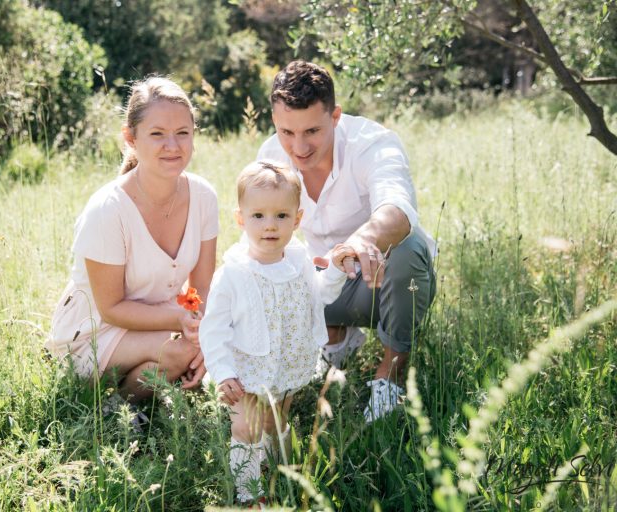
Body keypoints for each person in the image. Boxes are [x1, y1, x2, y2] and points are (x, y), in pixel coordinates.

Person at [257, 61, 437, 423]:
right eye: (286, 132)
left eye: (312, 130)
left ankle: (392, 371)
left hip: (380, 281)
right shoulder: (271, 157)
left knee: (411, 248)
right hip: (321, 285)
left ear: (335, 116)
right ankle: (335, 338)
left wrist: (358, 243)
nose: (299, 146)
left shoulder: (372, 142)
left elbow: (398, 209)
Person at [46, 76, 218, 403]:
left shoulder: (203, 197)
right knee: (181, 352)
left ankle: (147, 394)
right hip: (95, 332)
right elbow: (110, 308)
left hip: (157, 322)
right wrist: (185, 326)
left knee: (213, 337)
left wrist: (201, 329)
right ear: (130, 138)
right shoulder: (108, 210)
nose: (173, 146)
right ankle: (114, 416)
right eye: (157, 134)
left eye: (183, 133)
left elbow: (202, 287)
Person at [199, 160, 356, 504]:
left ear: (297, 219)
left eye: (281, 216)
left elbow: (319, 294)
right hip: (245, 369)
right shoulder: (234, 273)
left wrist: (336, 270)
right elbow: (213, 329)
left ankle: (282, 468)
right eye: (258, 216)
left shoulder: (298, 260)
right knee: (246, 427)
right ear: (241, 218)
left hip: (287, 363)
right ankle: (250, 495)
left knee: (275, 421)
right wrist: (222, 371)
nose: (270, 226)